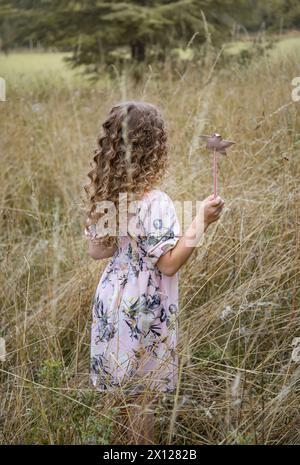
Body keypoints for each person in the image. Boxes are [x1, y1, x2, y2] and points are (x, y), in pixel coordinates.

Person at [84, 100, 225, 444]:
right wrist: (201, 220)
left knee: (120, 396)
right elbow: (169, 262)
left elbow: (96, 249)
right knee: (143, 400)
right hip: (142, 310)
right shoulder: (155, 200)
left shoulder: (109, 194)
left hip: (111, 304)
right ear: (155, 148)